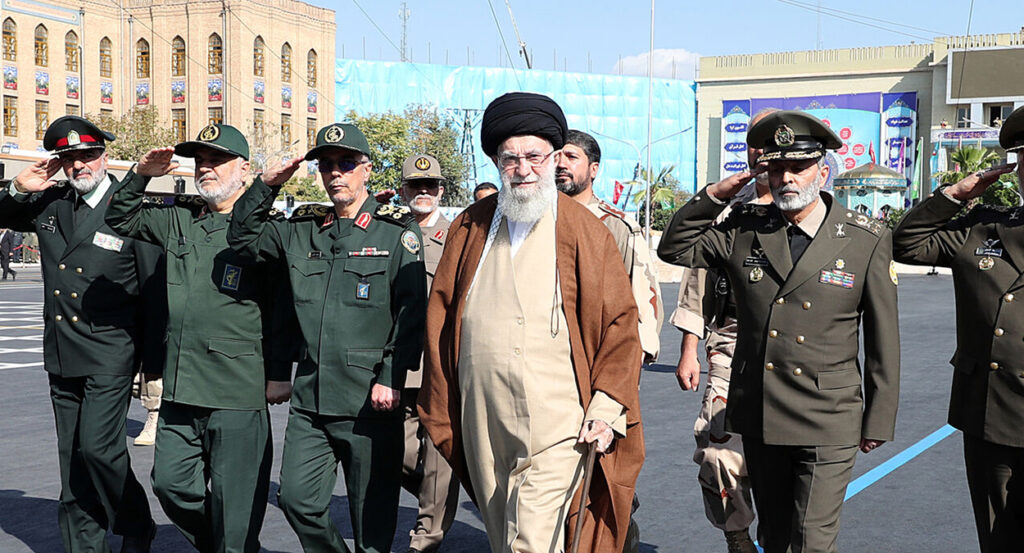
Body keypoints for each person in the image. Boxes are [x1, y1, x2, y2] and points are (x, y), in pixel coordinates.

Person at [658, 110, 901, 553]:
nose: (786, 178)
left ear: (822, 171)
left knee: (811, 539)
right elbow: (675, 247)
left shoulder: (863, 237)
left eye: (798, 166)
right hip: (761, 409)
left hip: (828, 412)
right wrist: (715, 194)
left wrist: (879, 416)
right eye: (776, 168)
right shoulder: (742, 229)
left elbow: (884, 336)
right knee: (775, 536)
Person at [418, 92, 645, 553]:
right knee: (505, 539)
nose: (523, 169)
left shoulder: (586, 231)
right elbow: (440, 318)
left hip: (558, 422)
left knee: (532, 542)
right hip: (482, 421)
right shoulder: (469, 227)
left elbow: (621, 324)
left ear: (555, 157)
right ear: (496, 162)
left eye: (534, 157)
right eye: (511, 158)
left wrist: (606, 407)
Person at [226, 122, 426, 553]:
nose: (335, 173)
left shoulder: (396, 233)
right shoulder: (303, 228)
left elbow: (412, 313)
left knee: (372, 521)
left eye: (346, 163)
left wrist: (391, 376)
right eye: (326, 165)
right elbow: (241, 236)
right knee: (297, 501)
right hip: (312, 399)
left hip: (369, 399)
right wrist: (266, 185)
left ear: (366, 169)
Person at [105, 124, 296, 553]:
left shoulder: (265, 229)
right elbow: (119, 217)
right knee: (170, 484)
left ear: (244, 169)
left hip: (237, 388)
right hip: (182, 385)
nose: (206, 169)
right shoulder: (181, 218)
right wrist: (140, 174)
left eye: (217, 160)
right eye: (201, 161)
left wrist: (279, 372)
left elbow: (283, 308)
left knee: (236, 506)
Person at [0, 115, 161, 553]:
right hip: (62, 350)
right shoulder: (52, 203)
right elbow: (3, 213)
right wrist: (19, 187)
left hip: (111, 351)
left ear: (104, 157)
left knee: (98, 450)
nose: (79, 165)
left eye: (87, 155)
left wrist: (153, 363)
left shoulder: (131, 208)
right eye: (69, 158)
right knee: (72, 459)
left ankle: (135, 521)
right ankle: (84, 546)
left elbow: (153, 293)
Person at [891, 104, 1024, 553]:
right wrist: (955, 196)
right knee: (999, 539)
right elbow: (906, 243)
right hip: (990, 413)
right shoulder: (983, 227)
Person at [670, 109, 777, 553]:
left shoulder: (818, 212)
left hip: (795, 351)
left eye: (771, 142)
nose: (762, 151)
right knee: (717, 453)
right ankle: (736, 535)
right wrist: (689, 349)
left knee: (785, 459)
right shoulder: (728, 214)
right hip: (730, 344)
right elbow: (697, 283)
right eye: (755, 141)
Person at [554, 129, 661, 553]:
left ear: (593, 169)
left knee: (606, 470)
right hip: (553, 368)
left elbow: (642, 302)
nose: (561, 164)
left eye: (572, 157)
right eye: (557, 156)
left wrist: (625, 377)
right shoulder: (537, 222)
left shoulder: (615, 228)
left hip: (603, 369)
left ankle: (617, 532)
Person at [394, 153, 461, 553]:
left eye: (430, 185)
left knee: (438, 452)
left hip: (439, 362)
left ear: (440, 191)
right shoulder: (388, 232)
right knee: (398, 454)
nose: (423, 192)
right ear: (403, 191)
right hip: (397, 363)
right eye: (415, 185)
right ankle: (440, 493)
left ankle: (426, 537)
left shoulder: (458, 236)